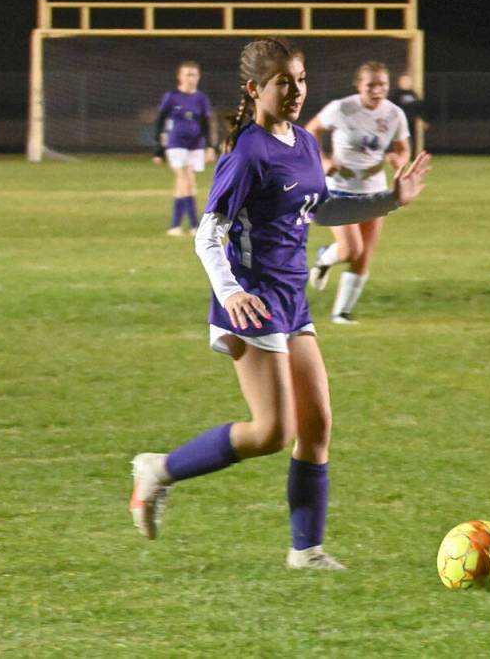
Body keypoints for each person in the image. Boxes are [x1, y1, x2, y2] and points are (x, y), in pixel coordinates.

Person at [129, 38, 432, 571]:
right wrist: (232, 292)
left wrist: (389, 201)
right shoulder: (247, 151)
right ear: (255, 89)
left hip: (293, 298)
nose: (295, 91)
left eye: (300, 79)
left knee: (317, 426)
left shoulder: (304, 143)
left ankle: (306, 551)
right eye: (283, 82)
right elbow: (208, 234)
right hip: (252, 300)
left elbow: (320, 209)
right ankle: (158, 470)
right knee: (272, 433)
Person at [304, 61, 411, 324]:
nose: (377, 91)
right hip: (340, 188)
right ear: (359, 85)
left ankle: (341, 313)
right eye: (370, 85)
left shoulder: (394, 113)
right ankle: (323, 258)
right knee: (351, 249)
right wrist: (323, 160)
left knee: (364, 255)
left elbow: (403, 148)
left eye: (382, 85)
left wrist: (400, 159)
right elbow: (311, 130)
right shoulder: (342, 108)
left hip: (375, 191)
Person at [153, 61, 217, 236]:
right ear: (180, 77)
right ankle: (195, 225)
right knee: (186, 178)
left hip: (196, 146)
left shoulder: (201, 99)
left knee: (184, 183)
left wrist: (210, 146)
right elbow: (160, 122)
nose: (191, 78)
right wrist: (159, 148)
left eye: (194, 74)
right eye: (188, 74)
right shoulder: (172, 97)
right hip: (176, 144)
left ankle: (176, 226)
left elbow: (206, 124)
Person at [389, 72, 430, 154]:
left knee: (412, 139)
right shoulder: (396, 95)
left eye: (407, 81)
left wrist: (423, 120)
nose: (405, 83)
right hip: (399, 122)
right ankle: (398, 154)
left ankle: (412, 156)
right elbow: (391, 108)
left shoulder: (413, 94)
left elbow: (419, 108)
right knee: (399, 139)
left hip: (411, 121)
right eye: (403, 81)